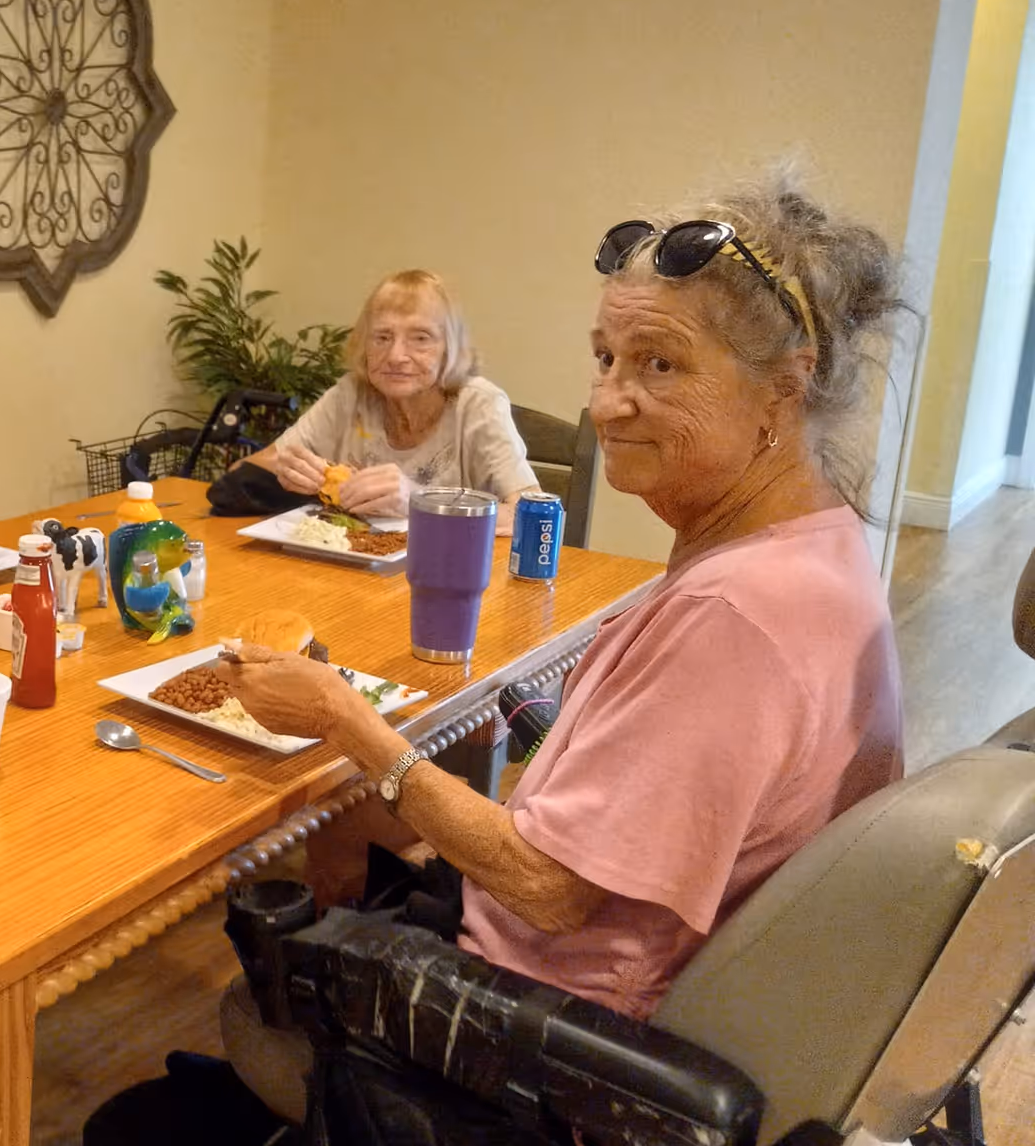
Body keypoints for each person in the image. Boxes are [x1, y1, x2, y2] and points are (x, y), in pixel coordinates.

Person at [219, 177, 907, 1022]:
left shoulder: (736, 618)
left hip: (548, 1027)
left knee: (256, 979)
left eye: (661, 364)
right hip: (614, 960)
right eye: (606, 358)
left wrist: (345, 718)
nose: (608, 403)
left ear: (785, 390)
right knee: (343, 830)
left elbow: (547, 891)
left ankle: (334, 1064)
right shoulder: (820, 547)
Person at [249, 269, 538, 527]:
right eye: (382, 337)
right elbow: (250, 471)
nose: (396, 356)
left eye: (420, 338)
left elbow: (531, 516)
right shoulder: (350, 395)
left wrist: (420, 501)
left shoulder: (479, 405)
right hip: (349, 575)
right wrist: (284, 474)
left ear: (449, 349)